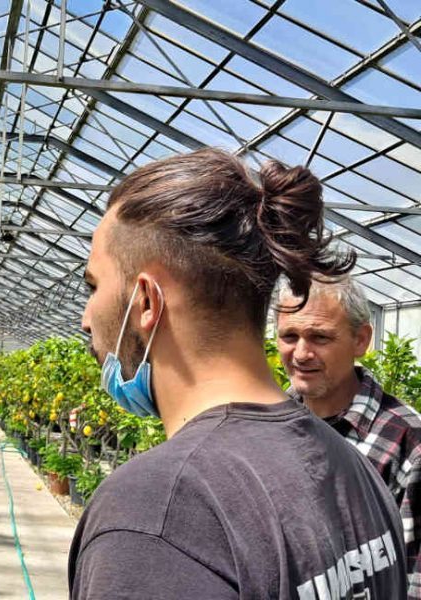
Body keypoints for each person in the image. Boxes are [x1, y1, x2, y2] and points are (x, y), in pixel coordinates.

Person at [69, 147, 407, 599]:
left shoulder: (160, 512)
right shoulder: (353, 469)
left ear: (147, 302)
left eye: (94, 286)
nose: (86, 318)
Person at [277, 276, 421, 598]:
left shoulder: (407, 442)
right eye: (290, 336)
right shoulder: (267, 425)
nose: (301, 354)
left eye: (320, 337)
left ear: (361, 340)